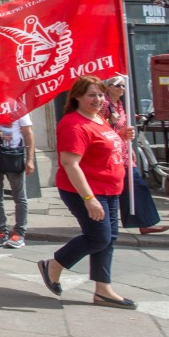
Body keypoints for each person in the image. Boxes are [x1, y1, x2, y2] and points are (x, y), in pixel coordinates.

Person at [37, 76, 136, 309]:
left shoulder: (99, 118)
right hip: (87, 191)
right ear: (77, 97)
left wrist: (121, 137)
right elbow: (70, 164)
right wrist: (89, 199)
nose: (98, 99)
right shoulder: (73, 124)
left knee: (108, 239)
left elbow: (100, 147)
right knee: (98, 237)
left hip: (110, 189)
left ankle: (103, 290)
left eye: (100, 95)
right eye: (91, 95)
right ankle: (54, 265)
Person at [102, 76, 168, 234]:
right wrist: (110, 122)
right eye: (117, 85)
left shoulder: (119, 104)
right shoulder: (105, 104)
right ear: (108, 87)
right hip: (112, 153)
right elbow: (100, 126)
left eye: (123, 86)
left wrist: (129, 145)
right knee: (134, 185)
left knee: (133, 186)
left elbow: (123, 127)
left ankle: (142, 221)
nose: (121, 89)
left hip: (123, 150)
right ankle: (142, 222)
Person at [0, 111, 34, 247]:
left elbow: (28, 133)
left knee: (19, 197)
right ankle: (1, 231)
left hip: (13, 157)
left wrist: (30, 159)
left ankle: (19, 233)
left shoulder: (18, 108)